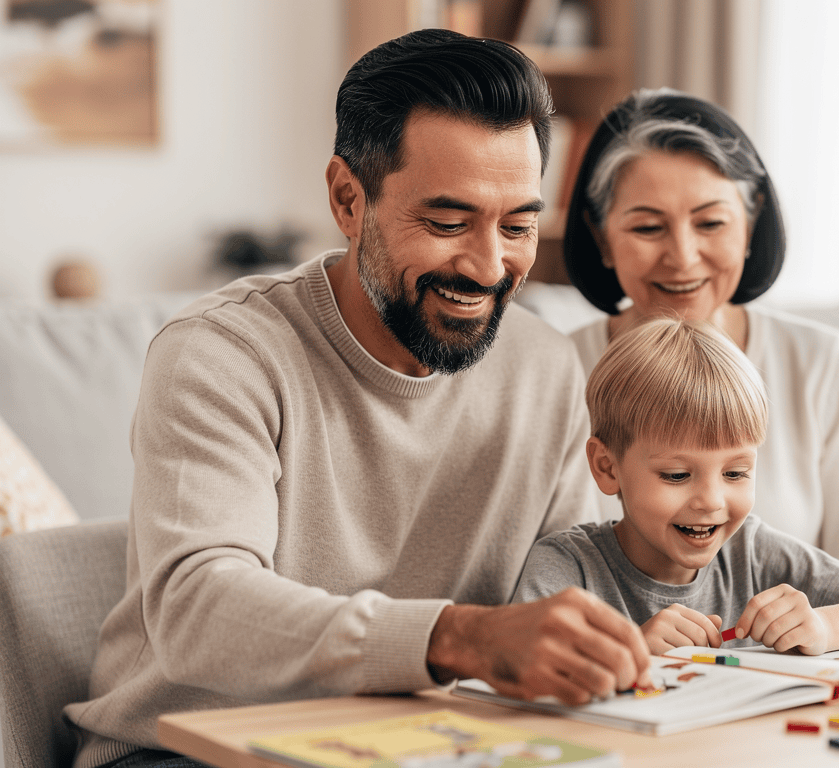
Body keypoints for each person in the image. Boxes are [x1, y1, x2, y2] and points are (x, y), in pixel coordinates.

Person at [65, 29, 651, 768]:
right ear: (349, 199)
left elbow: (568, 579)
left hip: (426, 743)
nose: (489, 265)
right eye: (446, 222)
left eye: (519, 224)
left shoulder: (543, 365)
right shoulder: (221, 354)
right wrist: (459, 637)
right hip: (185, 750)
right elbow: (197, 610)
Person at [562, 88, 839, 583]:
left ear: (749, 227)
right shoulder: (554, 371)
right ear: (601, 237)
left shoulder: (819, 362)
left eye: (710, 222)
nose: (682, 256)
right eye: (647, 228)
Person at [513, 318, 839, 654]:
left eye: (735, 473)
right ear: (607, 468)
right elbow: (517, 667)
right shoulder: (568, 566)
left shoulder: (751, 552)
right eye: (677, 476)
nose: (712, 501)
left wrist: (826, 625)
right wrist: (633, 651)